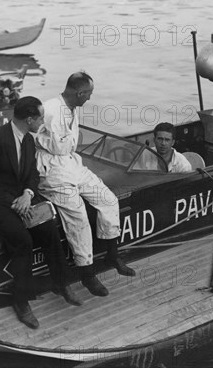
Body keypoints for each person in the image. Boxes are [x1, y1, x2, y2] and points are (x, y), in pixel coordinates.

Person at [0, 96, 82, 330]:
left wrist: (28, 194)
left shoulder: (29, 141)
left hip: (20, 198)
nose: (43, 120)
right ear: (29, 119)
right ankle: (21, 301)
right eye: (40, 116)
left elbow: (32, 173)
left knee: (48, 228)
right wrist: (15, 202)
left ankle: (61, 283)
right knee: (22, 240)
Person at [35, 72, 135, 298]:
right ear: (79, 92)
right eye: (88, 94)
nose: (89, 99)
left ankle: (112, 253)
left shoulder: (72, 109)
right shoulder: (50, 110)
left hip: (70, 163)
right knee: (78, 216)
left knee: (107, 199)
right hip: (51, 170)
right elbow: (34, 139)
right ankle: (86, 272)